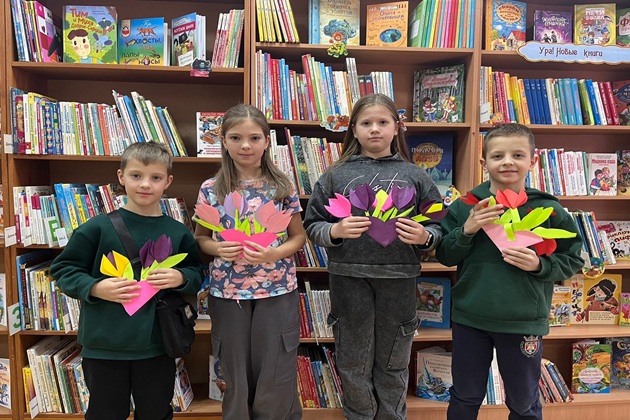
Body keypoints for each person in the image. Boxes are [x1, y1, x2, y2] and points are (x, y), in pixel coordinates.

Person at [303, 93, 443, 419]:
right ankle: (360, 415)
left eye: (382, 122)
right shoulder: (335, 175)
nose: (375, 129)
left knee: (394, 359)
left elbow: (438, 225)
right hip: (348, 277)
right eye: (366, 123)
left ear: (397, 127)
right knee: (353, 361)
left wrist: (425, 237)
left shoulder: (417, 175)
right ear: (354, 129)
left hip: (399, 278)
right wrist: (335, 231)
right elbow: (312, 224)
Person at [436, 123, 583, 420]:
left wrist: (540, 265)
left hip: (522, 320)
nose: (507, 162)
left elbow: (573, 259)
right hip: (470, 318)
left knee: (524, 401)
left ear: (533, 160)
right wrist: (467, 230)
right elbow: (445, 256)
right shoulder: (465, 207)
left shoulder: (549, 209)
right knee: (464, 396)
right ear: (484, 163)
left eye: (517, 155)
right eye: (497, 156)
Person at [50, 142, 204, 420]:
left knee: (156, 412)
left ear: (168, 182)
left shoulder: (178, 231)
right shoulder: (97, 227)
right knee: (105, 414)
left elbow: (197, 272)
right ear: (121, 177)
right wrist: (95, 287)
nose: (145, 184)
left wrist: (180, 277)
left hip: (158, 344)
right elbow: (63, 270)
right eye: (136, 175)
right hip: (104, 345)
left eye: (155, 177)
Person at [194, 104, 306, 420]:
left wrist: (273, 254)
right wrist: (217, 249)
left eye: (254, 138)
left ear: (267, 141)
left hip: (277, 290)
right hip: (228, 294)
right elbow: (200, 238)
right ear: (224, 141)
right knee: (234, 372)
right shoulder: (211, 188)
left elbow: (298, 237)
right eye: (236, 138)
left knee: (275, 370)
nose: (246, 145)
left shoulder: (282, 186)